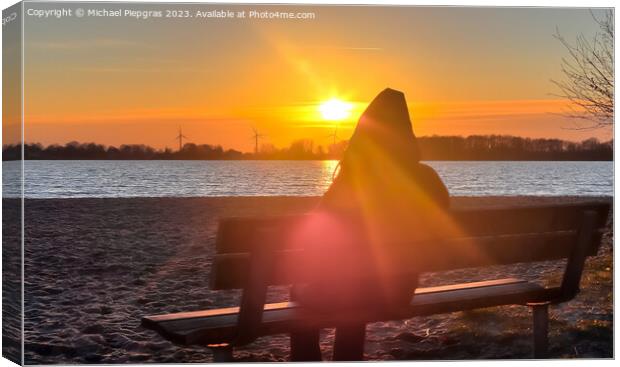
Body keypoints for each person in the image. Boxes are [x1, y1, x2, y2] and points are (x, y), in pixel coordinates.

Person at [290, 88, 450, 361]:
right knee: (356, 284)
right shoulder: (427, 177)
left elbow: (318, 228)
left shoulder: (353, 177)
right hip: (399, 290)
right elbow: (443, 218)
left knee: (303, 297)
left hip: (355, 290)